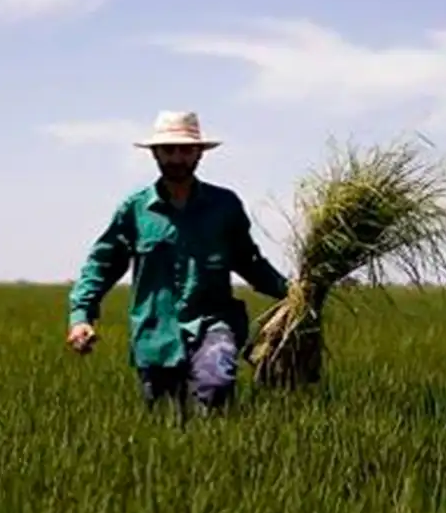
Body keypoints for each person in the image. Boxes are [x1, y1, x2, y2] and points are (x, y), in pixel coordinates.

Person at [66, 110, 289, 418]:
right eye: (168, 150)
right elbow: (101, 265)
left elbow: (249, 260)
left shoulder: (224, 206)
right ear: (155, 154)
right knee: (165, 418)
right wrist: (81, 316)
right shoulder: (135, 210)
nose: (177, 158)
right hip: (156, 333)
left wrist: (293, 293)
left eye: (186, 150)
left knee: (216, 384)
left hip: (213, 323)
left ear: (199, 153)